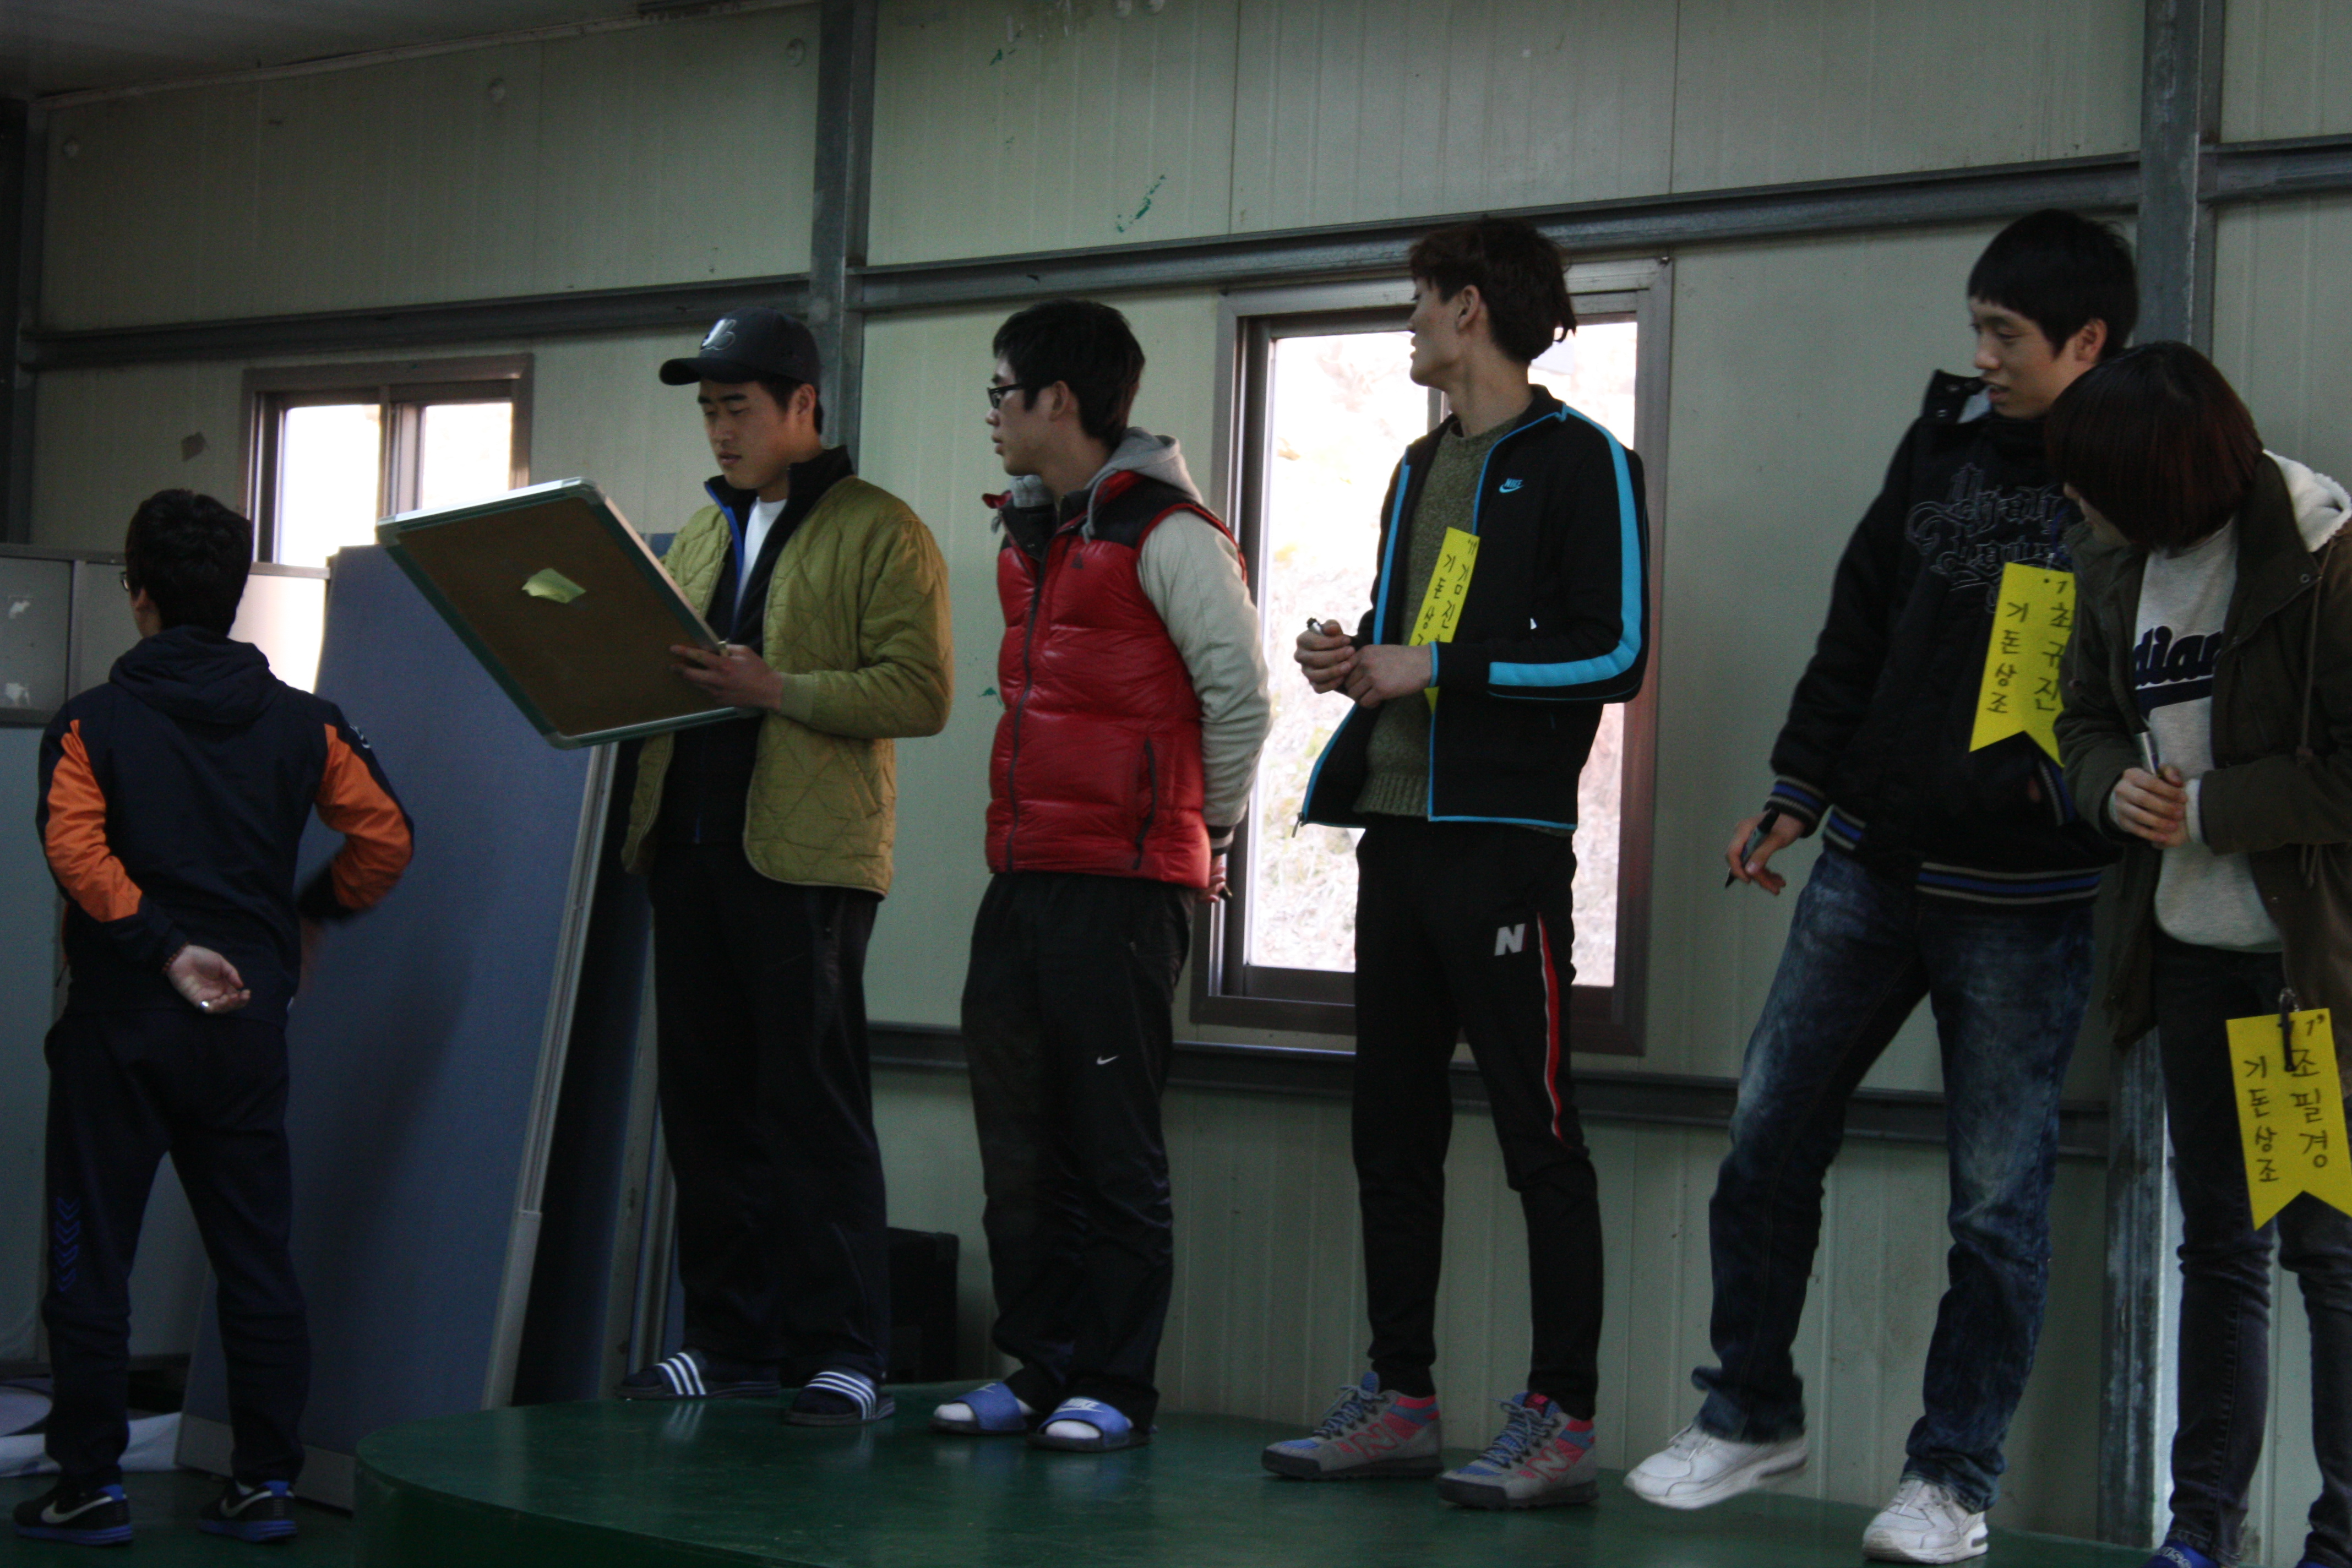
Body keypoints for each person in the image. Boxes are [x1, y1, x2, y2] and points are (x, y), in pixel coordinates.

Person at [1621, 209, 2136, 1563]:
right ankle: (1747, 1408)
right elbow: (1859, 618)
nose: (1985, 355)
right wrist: (1797, 788)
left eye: (2007, 335)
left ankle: (1951, 1481)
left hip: (2023, 897)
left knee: (1996, 1204)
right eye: (1979, 329)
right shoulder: (1945, 439)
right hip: (1871, 858)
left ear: (2089, 342)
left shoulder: (2139, 470)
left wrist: (2068, 798)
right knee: (1767, 1127)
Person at [1264, 216, 1648, 1510]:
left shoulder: (1587, 461)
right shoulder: (1419, 463)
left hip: (1505, 851)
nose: (1412, 320)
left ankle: (1562, 1416)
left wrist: (1433, 664)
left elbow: (1616, 652)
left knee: (1541, 1135)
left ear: (1471, 307)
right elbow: (1421, 634)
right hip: (1399, 833)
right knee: (1391, 1130)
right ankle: (1402, 1397)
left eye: (1423, 298)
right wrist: (1357, 658)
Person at [16, 491, 413, 1549]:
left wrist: (162, 948)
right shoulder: (306, 723)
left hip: (120, 1027)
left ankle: (88, 1485)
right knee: (255, 1257)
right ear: (233, 595)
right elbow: (386, 838)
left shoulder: (90, 723)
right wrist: (310, 917)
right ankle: (266, 1484)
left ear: (137, 594)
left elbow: (74, 850)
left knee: (90, 1259)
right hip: (244, 1028)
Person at [930, 298, 1270, 1453]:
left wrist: (1202, 837)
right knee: (1021, 1144)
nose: (991, 413)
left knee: (1112, 1147)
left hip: (1127, 885)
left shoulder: (1169, 533)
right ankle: (1042, 1369)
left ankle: (1117, 1385)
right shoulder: (1031, 533)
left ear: (1057, 400)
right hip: (1024, 872)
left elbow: (1240, 697)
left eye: (1001, 391)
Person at [613, 307, 952, 1426]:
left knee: (811, 1102)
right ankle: (729, 1340)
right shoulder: (699, 536)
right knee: (705, 1103)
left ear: (803, 406)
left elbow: (923, 691)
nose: (720, 430)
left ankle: (844, 1350)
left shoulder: (880, 529)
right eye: (709, 412)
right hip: (688, 838)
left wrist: (779, 689)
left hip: (806, 859)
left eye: (738, 409)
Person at [2050, 341, 2352, 1568]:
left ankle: (2340, 1534)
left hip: (2297, 971)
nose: (2072, 497)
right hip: (2185, 955)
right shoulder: (2113, 561)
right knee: (2220, 1246)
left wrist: (2215, 808)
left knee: (2326, 1252)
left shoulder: (2323, 557)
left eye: (2092, 479)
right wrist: (2105, 787)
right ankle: (2201, 1528)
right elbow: (2079, 718)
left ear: (2159, 477)